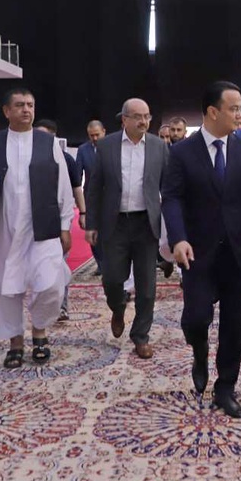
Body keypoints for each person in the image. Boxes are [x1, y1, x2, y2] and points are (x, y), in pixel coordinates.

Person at [161, 81, 241, 418]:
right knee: (196, 317)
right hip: (197, 251)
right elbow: (172, 198)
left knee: (235, 323)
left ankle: (226, 387)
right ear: (212, 112)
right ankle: (199, 351)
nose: (240, 114)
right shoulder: (182, 151)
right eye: (234, 108)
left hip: (237, 251)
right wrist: (178, 238)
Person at [0, 88, 74, 369]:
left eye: (30, 105)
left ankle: (39, 329)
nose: (26, 110)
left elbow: (63, 186)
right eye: (20, 105)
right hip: (3, 226)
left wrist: (65, 224)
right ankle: (15, 342)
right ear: (6, 111)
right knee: (4, 287)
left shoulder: (49, 143)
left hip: (42, 227)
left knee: (50, 284)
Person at [85, 98, 168, 359]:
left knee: (147, 286)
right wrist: (91, 223)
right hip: (115, 223)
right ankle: (118, 307)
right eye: (138, 117)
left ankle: (140, 336)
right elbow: (94, 187)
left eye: (147, 116)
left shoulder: (158, 146)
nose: (144, 121)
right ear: (124, 119)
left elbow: (168, 187)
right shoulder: (107, 145)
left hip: (146, 223)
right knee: (112, 278)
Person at [33, 119, 86, 321]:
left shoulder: (66, 159)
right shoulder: (27, 157)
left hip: (59, 219)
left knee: (59, 263)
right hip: (32, 221)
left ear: (53, 137)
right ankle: (41, 304)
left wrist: (83, 213)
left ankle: (61, 306)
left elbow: (76, 188)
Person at [76, 120, 106, 275]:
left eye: (97, 135)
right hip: (91, 197)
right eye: (91, 135)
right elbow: (77, 176)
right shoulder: (83, 150)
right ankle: (100, 263)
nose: (94, 138)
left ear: (104, 132)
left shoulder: (112, 147)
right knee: (92, 230)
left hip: (110, 196)